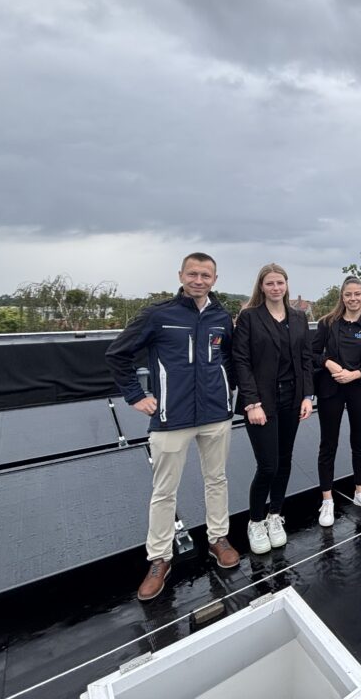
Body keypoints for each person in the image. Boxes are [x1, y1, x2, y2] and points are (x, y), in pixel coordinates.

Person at [106, 252, 239, 601]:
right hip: (171, 418)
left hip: (215, 415)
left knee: (217, 479)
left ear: (215, 278)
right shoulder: (158, 315)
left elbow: (228, 359)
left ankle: (218, 538)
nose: (199, 280)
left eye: (206, 275)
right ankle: (159, 559)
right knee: (164, 491)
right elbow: (118, 354)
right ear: (181, 275)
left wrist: (232, 394)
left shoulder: (221, 317)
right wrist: (136, 396)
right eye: (193, 274)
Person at [232, 263, 315, 553]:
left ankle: (275, 515)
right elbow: (241, 361)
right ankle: (255, 521)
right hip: (261, 402)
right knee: (268, 465)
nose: (276, 288)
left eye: (280, 282)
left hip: (292, 399)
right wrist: (251, 402)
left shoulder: (299, 317)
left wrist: (308, 396)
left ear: (287, 284)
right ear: (262, 287)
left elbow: (306, 360)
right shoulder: (250, 318)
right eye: (270, 283)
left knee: (285, 460)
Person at [312, 275, 361, 527]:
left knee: (359, 441)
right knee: (328, 444)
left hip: (359, 389)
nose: (352, 299)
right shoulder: (327, 323)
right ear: (341, 297)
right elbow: (312, 353)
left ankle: (360, 492)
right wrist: (329, 364)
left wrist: (355, 374)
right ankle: (327, 499)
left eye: (357, 294)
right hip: (331, 390)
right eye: (347, 295)